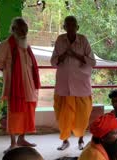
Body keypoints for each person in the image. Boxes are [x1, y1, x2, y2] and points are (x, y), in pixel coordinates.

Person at [0, 17, 41, 153]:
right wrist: (12, 75)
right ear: (14, 30)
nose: (24, 33)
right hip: (15, 87)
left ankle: (22, 138)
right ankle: (13, 143)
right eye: (21, 31)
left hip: (29, 85)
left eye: (25, 31)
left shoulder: (26, 45)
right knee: (14, 113)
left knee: (28, 112)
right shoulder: (5, 45)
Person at [51, 16, 96, 151]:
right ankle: (65, 141)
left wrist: (75, 54)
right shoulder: (60, 40)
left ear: (77, 27)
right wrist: (65, 54)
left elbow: (92, 62)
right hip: (63, 87)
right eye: (67, 25)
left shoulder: (83, 40)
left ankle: (81, 140)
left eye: (73, 25)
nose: (70, 28)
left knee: (82, 116)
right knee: (63, 116)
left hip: (81, 86)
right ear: (64, 27)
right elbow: (53, 61)